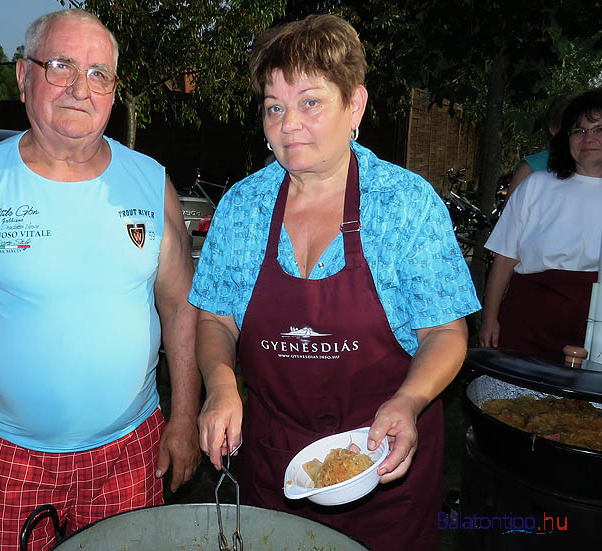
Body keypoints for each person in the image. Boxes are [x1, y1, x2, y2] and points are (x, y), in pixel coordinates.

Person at [189, 14, 480, 551]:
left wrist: (410, 401)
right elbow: (216, 318)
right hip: (277, 467)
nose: (288, 123)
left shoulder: (405, 203)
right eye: (274, 107)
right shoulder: (242, 207)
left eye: (310, 102)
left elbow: (445, 333)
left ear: (356, 105)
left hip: (384, 461)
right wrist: (222, 385)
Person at [0, 9, 201, 551]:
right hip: (9, 458)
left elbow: (180, 307)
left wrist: (184, 417)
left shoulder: (150, 182)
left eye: (98, 74)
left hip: (131, 451)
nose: (79, 88)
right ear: (23, 78)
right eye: (61, 66)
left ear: (114, 92)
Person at [479, 88, 602, 363]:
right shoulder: (536, 185)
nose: (588, 139)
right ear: (565, 138)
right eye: (579, 131)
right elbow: (504, 258)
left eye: (598, 130)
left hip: (595, 326)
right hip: (528, 318)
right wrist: (489, 318)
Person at [505, 92, 579, 201]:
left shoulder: (588, 165)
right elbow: (511, 215)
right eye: (572, 128)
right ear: (553, 128)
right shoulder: (531, 168)